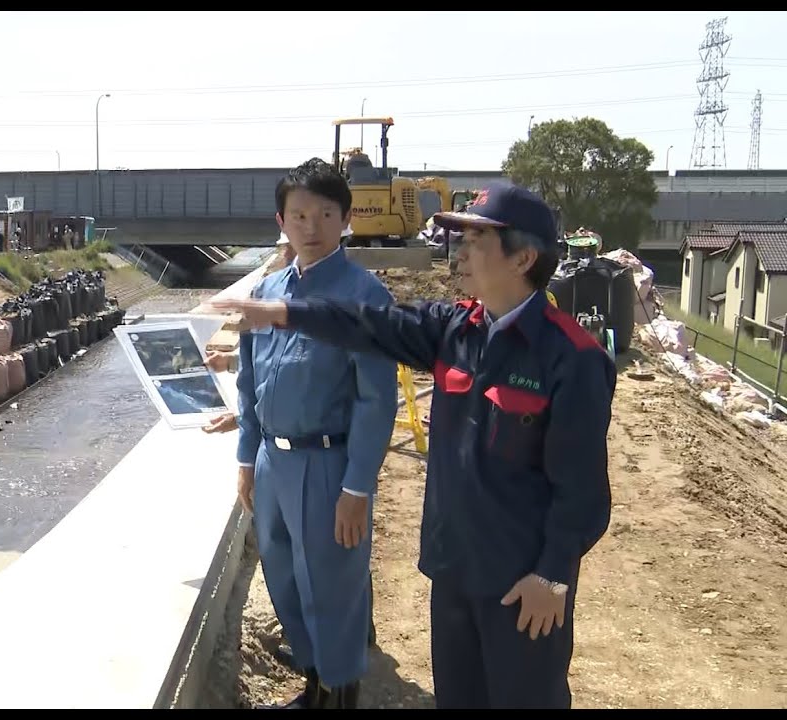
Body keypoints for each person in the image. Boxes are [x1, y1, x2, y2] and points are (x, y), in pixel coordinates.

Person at [212, 180, 615, 709]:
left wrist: (553, 575)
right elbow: (369, 324)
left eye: (476, 242)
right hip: (453, 567)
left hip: (521, 582)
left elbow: (582, 492)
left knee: (524, 697)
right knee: (459, 696)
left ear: (523, 259)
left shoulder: (571, 357)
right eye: (460, 239)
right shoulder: (455, 330)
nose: (459, 253)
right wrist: (279, 311)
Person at [232, 158, 397, 709]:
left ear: (346, 219)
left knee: (331, 586)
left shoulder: (363, 296)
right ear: (281, 220)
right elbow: (249, 378)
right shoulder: (268, 291)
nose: (311, 225)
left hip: (328, 466)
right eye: (299, 214)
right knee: (284, 578)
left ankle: (338, 692)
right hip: (275, 462)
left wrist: (358, 489)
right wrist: (246, 456)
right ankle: (312, 681)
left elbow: (377, 401)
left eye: (325, 213)